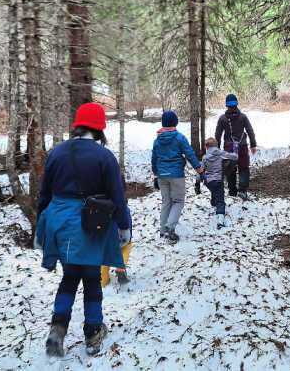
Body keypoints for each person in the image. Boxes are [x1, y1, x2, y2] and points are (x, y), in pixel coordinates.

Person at [35, 102, 131, 358]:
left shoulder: (56, 153)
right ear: (99, 129)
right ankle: (92, 335)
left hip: (60, 224)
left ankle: (57, 329)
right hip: (92, 224)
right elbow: (117, 196)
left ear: (78, 125)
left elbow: (44, 194)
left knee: (68, 278)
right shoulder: (104, 156)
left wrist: (41, 228)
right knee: (91, 280)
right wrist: (124, 226)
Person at [151, 110, 203, 243]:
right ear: (175, 122)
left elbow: (154, 158)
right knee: (178, 201)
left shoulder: (157, 140)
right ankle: (170, 228)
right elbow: (189, 154)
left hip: (162, 175)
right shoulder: (179, 138)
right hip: (176, 175)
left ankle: (163, 230)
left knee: (166, 202)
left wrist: (156, 174)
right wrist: (198, 168)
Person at [215, 94, 257, 200]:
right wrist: (253, 144)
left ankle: (232, 191)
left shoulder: (222, 119)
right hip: (242, 147)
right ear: (236, 104)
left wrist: (216, 148)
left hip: (228, 149)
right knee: (244, 168)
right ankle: (242, 191)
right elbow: (250, 131)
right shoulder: (243, 117)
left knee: (230, 169)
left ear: (227, 105)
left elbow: (218, 135)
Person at [198, 137, 238, 229]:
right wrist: (236, 147)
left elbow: (200, 170)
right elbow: (234, 157)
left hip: (208, 181)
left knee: (214, 190)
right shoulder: (220, 153)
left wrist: (198, 182)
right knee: (220, 200)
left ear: (206, 147)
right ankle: (220, 221)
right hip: (218, 180)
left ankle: (213, 202)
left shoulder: (204, 157)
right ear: (216, 145)